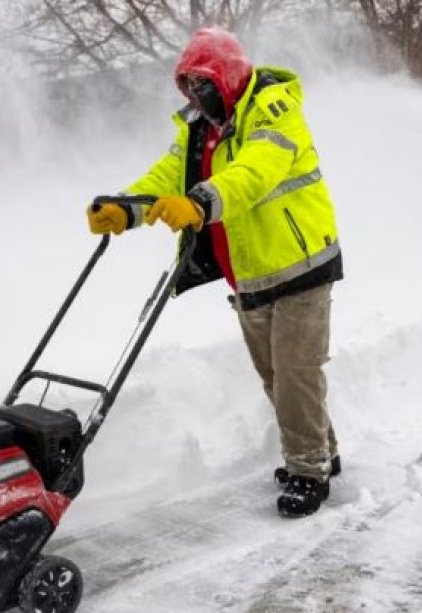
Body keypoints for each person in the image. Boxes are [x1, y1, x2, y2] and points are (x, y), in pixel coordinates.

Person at [86, 26, 343, 517]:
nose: (198, 97)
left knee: (295, 376)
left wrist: (202, 201)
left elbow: (255, 170)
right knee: (278, 379)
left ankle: (310, 472)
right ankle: (323, 452)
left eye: (203, 85)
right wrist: (127, 208)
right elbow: (167, 177)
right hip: (249, 275)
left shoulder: (274, 108)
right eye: (190, 88)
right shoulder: (200, 129)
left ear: (225, 76)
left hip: (301, 265)